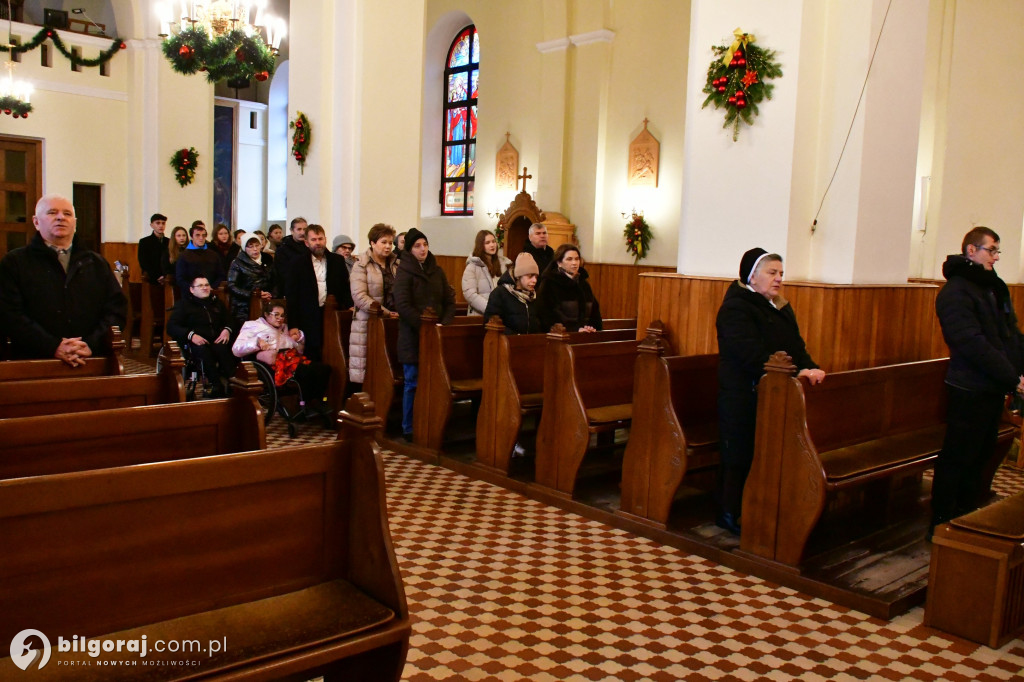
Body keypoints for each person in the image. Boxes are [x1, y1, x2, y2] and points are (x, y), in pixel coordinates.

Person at [715, 248, 825, 535]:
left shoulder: (780, 306)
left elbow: (797, 348)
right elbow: (749, 353)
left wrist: (811, 368)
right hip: (742, 392)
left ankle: (761, 508)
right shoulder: (735, 308)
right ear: (752, 276)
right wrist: (791, 372)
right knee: (739, 453)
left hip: (775, 393)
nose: (778, 279)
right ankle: (729, 511)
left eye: (781, 274)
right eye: (772, 273)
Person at [932, 227, 1024, 533]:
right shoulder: (956, 291)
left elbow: (1008, 333)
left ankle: (967, 517)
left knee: (980, 457)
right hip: (969, 387)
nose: (996, 257)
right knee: (958, 457)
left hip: (992, 387)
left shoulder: (992, 286)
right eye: (991, 250)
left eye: (998, 251)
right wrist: (1012, 376)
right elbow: (971, 342)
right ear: (971, 251)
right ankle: (942, 524)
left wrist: (1019, 371)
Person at [0, 194, 126, 365]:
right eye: (52, 212)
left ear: (75, 222)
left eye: (67, 214)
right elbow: (10, 315)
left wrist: (90, 344)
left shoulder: (96, 263)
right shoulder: (15, 262)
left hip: (91, 359)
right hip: (34, 361)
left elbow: (116, 310)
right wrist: (52, 346)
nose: (61, 217)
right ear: (36, 222)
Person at [393, 227, 455, 437]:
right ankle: (409, 427)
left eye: (425, 245)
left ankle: (432, 424)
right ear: (410, 250)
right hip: (412, 336)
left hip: (436, 334)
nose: (423, 249)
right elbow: (402, 304)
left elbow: (449, 300)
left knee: (436, 382)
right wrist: (424, 327)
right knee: (413, 382)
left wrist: (443, 324)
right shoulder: (404, 271)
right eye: (418, 246)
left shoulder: (437, 270)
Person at [232, 299, 331, 407]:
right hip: (274, 364)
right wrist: (257, 342)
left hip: (292, 359)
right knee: (306, 372)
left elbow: (299, 351)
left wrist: (299, 339)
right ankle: (304, 405)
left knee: (324, 369)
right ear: (266, 314)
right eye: (276, 315)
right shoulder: (253, 326)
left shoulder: (285, 328)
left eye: (282, 315)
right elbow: (236, 349)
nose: (280, 319)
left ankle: (317, 401)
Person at [284, 224, 353, 361]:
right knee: (312, 354)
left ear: (325, 240)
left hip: (332, 314)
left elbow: (345, 287)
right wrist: (293, 325)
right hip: (308, 315)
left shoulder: (337, 260)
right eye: (314, 240)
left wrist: (349, 305)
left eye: (320, 239)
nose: (318, 243)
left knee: (334, 351)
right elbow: (292, 295)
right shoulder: (297, 262)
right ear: (306, 242)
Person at [167, 275, 238, 397]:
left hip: (216, 338)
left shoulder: (216, 303)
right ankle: (215, 385)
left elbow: (230, 320)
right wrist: (191, 335)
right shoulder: (183, 305)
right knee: (204, 352)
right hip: (194, 341)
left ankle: (234, 383)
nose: (205, 288)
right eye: (200, 285)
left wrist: (227, 330)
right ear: (192, 289)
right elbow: (172, 327)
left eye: (206, 285)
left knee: (224, 350)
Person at [349, 223, 399, 386]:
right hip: (369, 321)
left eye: (390, 243)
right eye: (383, 242)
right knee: (368, 368)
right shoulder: (361, 265)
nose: (388, 246)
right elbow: (359, 295)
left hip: (393, 320)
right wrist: (384, 311)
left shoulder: (396, 264)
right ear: (372, 242)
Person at [536, 244, 602, 332]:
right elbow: (546, 315)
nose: (574, 263)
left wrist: (591, 327)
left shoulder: (584, 284)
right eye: (569, 259)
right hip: (560, 337)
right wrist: (575, 329)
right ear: (559, 262)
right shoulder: (549, 283)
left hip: (586, 335)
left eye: (577, 259)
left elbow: (594, 312)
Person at [483, 252, 542, 334]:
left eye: (536, 276)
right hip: (507, 343)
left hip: (531, 344)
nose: (534, 280)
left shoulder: (534, 296)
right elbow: (490, 323)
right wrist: (515, 337)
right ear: (518, 275)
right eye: (530, 276)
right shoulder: (500, 293)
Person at [226, 232, 275, 323]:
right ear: (244, 248)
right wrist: (253, 294)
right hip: (244, 305)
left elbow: (275, 279)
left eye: (257, 245)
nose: (255, 249)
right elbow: (231, 285)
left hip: (268, 301)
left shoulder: (268, 258)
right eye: (251, 246)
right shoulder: (237, 262)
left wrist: (271, 294)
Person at [462, 229, 511, 316]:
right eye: (487, 243)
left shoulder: (503, 264)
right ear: (480, 245)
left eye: (493, 241)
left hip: (501, 315)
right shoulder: (472, 267)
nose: (492, 245)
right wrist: (490, 308)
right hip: (480, 315)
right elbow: (470, 294)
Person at [175, 222, 225, 293]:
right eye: (197, 235)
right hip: (191, 294)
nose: (201, 238)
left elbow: (221, 275)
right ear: (192, 237)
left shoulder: (213, 255)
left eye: (203, 235)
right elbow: (180, 279)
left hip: (210, 292)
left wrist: (212, 287)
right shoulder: (184, 255)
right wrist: (193, 289)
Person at [274, 216, 309, 287]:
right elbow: (283, 273)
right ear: (292, 230)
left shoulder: (310, 246)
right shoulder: (282, 249)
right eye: (299, 229)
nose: (302, 232)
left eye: (305, 229)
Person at [137, 212, 169, 285]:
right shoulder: (144, 242)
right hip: (151, 278)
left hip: (167, 279)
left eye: (163, 223)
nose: (161, 225)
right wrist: (157, 276)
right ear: (152, 225)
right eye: (158, 223)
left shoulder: (169, 241)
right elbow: (143, 262)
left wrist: (165, 276)